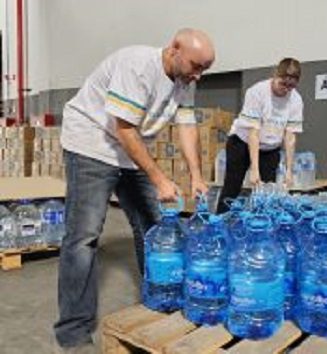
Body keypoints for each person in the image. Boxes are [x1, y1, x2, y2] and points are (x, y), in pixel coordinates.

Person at [53, 28, 214, 351]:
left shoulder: (185, 80)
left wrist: (196, 175)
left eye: (203, 70)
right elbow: (123, 128)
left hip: (129, 146)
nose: (198, 75)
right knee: (84, 234)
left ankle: (160, 299)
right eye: (196, 66)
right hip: (92, 142)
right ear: (175, 49)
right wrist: (158, 178)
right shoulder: (137, 65)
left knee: (154, 225)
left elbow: (186, 125)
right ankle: (72, 329)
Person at [216, 58, 304, 214]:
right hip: (242, 142)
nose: (286, 90)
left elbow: (290, 138)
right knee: (232, 187)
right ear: (275, 75)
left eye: (291, 86)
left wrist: (290, 170)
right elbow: (253, 133)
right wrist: (254, 169)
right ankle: (220, 223)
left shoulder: (296, 99)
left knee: (266, 192)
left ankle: (260, 227)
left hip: (270, 148)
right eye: (283, 84)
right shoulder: (257, 92)